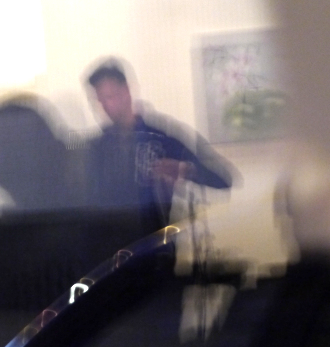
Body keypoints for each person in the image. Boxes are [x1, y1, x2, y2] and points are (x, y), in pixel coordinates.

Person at [85, 58, 236, 235]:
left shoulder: (163, 136)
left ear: (126, 92)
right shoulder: (98, 144)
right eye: (100, 101)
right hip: (110, 247)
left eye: (109, 97)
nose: (105, 107)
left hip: (154, 246)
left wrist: (183, 169)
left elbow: (222, 179)